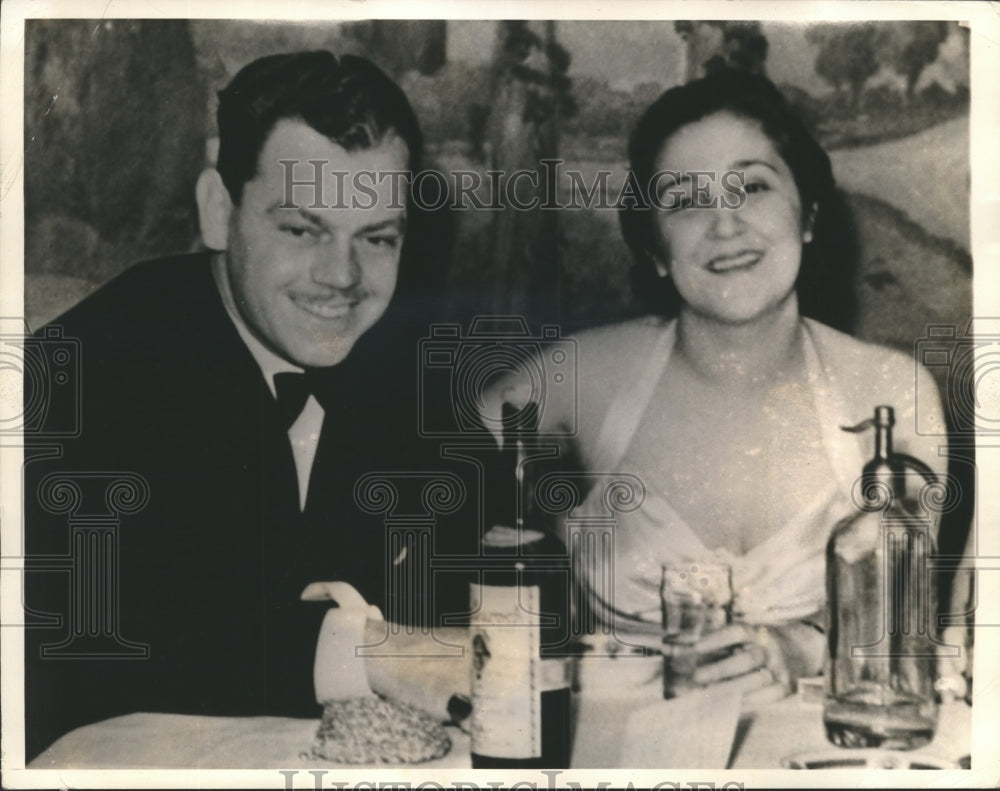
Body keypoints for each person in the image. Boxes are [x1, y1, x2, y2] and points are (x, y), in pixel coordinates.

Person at [23, 50, 443, 761]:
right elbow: (109, 646)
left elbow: (493, 563)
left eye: (376, 238)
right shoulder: (83, 370)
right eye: (302, 229)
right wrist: (378, 651)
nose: (341, 277)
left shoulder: (405, 366)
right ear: (219, 212)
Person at [485, 69, 949, 703]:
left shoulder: (892, 393)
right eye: (683, 200)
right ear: (654, 248)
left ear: (808, 214)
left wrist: (798, 646)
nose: (724, 224)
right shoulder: (576, 377)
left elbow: (904, 625)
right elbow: (399, 488)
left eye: (751, 186)